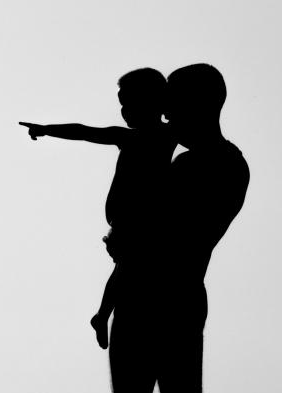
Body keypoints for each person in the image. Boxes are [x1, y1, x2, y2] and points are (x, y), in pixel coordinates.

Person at [77, 63, 250, 393]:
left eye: (173, 102)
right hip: (156, 295)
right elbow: (138, 242)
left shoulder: (204, 166)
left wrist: (123, 252)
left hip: (163, 299)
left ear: (200, 105)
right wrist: (110, 298)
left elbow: (149, 238)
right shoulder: (209, 164)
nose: (166, 113)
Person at [20, 67, 176, 349]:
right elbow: (84, 132)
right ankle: (102, 315)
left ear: (154, 102)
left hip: (142, 219)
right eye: (122, 104)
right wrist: (46, 130)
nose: (124, 111)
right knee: (125, 266)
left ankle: (102, 315)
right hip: (126, 220)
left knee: (127, 267)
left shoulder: (162, 136)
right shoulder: (134, 137)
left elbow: (84, 132)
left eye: (129, 103)